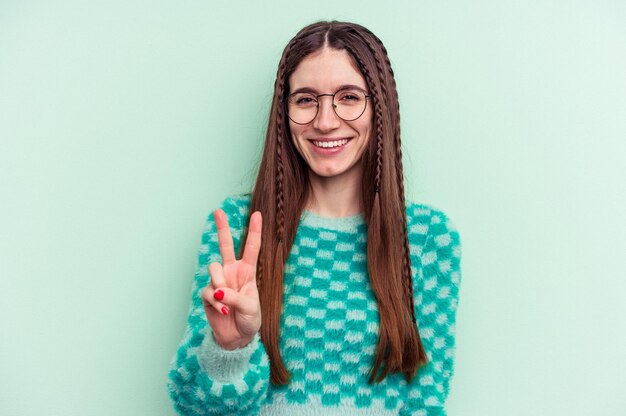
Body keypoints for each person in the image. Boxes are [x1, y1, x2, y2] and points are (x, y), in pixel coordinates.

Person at [167, 20, 462, 416]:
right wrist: (231, 349)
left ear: (380, 107)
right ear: (284, 113)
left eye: (349, 97)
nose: (325, 121)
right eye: (306, 100)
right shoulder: (237, 229)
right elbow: (196, 408)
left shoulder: (427, 238)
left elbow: (426, 401)